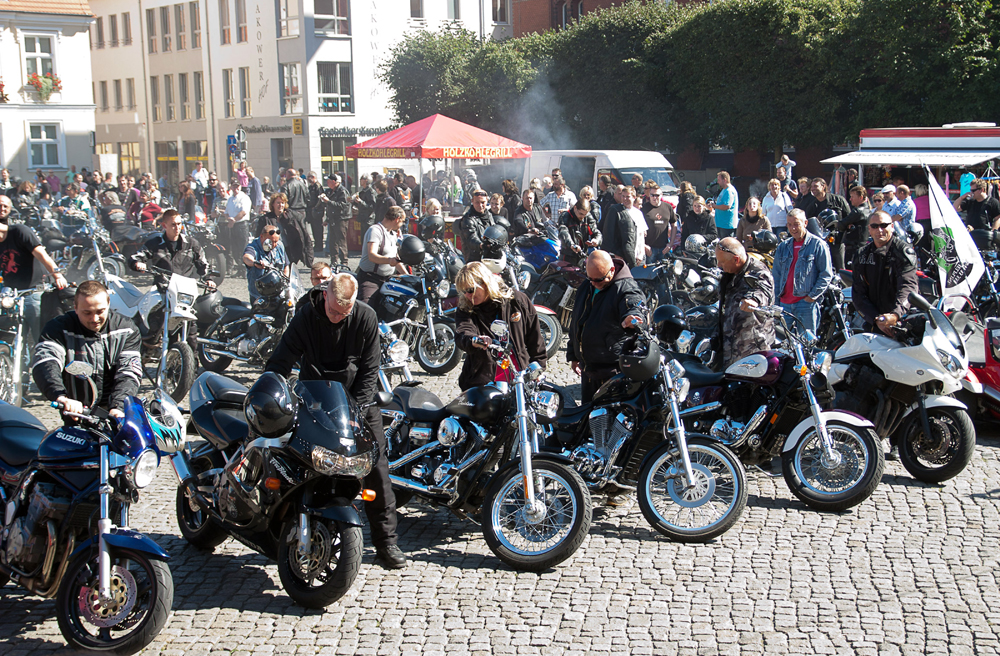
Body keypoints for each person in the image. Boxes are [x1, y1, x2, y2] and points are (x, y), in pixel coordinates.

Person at [264, 273, 405, 569]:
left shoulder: (365, 317)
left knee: (376, 471)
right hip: (314, 401)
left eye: (345, 312)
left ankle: (386, 543)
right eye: (334, 311)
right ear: (325, 295)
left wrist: (357, 410)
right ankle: (280, 529)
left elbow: (370, 370)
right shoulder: (306, 314)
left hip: (358, 403)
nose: (339, 317)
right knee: (294, 461)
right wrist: (270, 388)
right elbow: (280, 360)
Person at [32, 280, 140, 417]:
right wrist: (60, 396)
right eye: (87, 312)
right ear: (75, 307)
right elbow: (46, 362)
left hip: (115, 414)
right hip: (75, 411)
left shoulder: (127, 329)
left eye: (100, 311)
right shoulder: (57, 328)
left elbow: (129, 371)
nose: (94, 319)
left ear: (108, 304)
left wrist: (118, 405)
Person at [454, 261, 546, 391]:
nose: (467, 295)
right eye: (463, 291)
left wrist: (539, 368)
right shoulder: (466, 308)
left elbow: (535, 338)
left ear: (485, 283)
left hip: (519, 377)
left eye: (470, 290)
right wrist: (474, 340)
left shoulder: (517, 300)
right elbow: (463, 331)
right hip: (482, 381)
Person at [567, 250, 645, 403]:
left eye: (599, 280)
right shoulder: (587, 285)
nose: (594, 284)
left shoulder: (626, 287)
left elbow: (635, 305)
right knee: (588, 415)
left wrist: (634, 318)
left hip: (610, 371)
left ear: (612, 270)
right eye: (591, 279)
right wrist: (573, 355)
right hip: (589, 369)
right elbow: (577, 322)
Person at [0, 195, 68, 342]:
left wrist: (57, 275)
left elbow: (42, 255)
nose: (2, 208)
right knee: (10, 335)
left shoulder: (20, 232)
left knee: (40, 335)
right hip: (12, 296)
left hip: (34, 292)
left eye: (5, 205)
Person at [852, 210, 919, 336]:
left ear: (892, 226)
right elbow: (858, 294)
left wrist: (895, 315)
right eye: (874, 226)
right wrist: (876, 319)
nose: (879, 230)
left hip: (901, 320)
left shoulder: (903, 252)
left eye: (884, 225)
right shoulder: (862, 254)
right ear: (869, 229)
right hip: (874, 322)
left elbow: (908, 286)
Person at [771, 209, 833, 336]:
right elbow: (776, 276)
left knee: (807, 346)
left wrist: (811, 297)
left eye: (796, 224)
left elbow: (826, 274)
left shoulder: (817, 245)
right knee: (782, 345)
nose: (792, 228)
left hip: (805, 305)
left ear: (805, 223)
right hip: (784, 305)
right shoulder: (783, 246)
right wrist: (776, 302)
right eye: (789, 224)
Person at [715, 237, 775, 366]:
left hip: (752, 350)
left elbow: (762, 291)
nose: (719, 265)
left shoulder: (758, 272)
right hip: (729, 347)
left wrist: (753, 300)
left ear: (736, 259)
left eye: (722, 262)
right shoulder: (730, 272)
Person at [356, 206, 407, 304]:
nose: (402, 224)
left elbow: (396, 260)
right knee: (366, 307)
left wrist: (408, 276)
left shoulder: (392, 234)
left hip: (388, 280)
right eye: (402, 221)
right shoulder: (375, 230)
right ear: (397, 219)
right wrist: (389, 260)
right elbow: (372, 255)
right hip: (370, 279)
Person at [243, 223, 290, 301]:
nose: (274, 245)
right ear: (261, 237)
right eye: (271, 242)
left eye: (276, 241)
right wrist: (255, 263)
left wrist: (285, 280)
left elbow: (286, 265)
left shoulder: (280, 246)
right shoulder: (253, 247)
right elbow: (246, 257)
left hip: (278, 293)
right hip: (260, 297)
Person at [600, 186, 640, 267]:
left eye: (627, 196)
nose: (625, 199)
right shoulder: (614, 210)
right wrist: (614, 253)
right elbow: (608, 233)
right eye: (623, 196)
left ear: (634, 197)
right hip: (620, 255)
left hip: (635, 253)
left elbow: (641, 234)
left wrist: (641, 253)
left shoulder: (638, 213)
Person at [557, 198, 602, 263]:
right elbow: (563, 232)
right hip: (567, 255)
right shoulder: (565, 216)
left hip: (583, 255)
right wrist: (572, 245)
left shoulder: (587, 217)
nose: (583, 217)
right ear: (575, 208)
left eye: (585, 214)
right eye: (581, 214)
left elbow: (596, 231)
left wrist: (596, 240)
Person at [457, 189, 496, 263]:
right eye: (477, 202)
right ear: (472, 201)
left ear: (487, 201)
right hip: (473, 259)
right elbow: (471, 237)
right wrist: (481, 245)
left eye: (483, 202)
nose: (480, 205)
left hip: (489, 257)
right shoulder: (467, 219)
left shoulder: (489, 215)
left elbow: (494, 231)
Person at [642, 183, 676, 261]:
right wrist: (644, 245)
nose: (654, 197)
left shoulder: (667, 207)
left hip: (664, 248)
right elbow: (638, 228)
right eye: (652, 195)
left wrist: (671, 243)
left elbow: (674, 224)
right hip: (649, 248)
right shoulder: (644, 208)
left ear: (661, 195)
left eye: (657, 195)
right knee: (650, 272)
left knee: (664, 272)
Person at [841, 186, 871, 269]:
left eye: (852, 197)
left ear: (860, 197)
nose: (850, 199)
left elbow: (842, 224)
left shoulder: (857, 211)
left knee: (850, 273)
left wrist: (845, 225)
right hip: (863, 246)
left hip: (853, 247)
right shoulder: (868, 210)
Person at [708, 171, 738, 238]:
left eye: (719, 180)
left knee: (726, 246)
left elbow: (727, 206)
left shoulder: (729, 191)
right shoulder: (724, 190)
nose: (718, 182)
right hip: (721, 223)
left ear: (725, 180)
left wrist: (714, 206)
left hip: (726, 225)